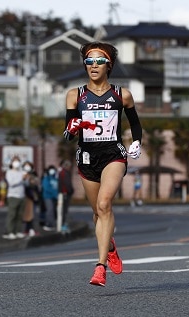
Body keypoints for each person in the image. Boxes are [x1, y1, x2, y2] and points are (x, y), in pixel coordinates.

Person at [63, 41, 142, 286]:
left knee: (105, 203)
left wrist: (137, 141)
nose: (93, 66)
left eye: (99, 61)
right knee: (98, 213)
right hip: (86, 157)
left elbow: (135, 124)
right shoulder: (75, 95)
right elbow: (67, 133)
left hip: (113, 154)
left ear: (109, 65)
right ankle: (109, 246)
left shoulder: (122, 94)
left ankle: (100, 267)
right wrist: (73, 127)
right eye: (89, 61)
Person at [2, 156, 26, 240]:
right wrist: (21, 179)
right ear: (12, 163)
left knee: (20, 215)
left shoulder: (21, 172)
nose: (17, 163)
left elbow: (25, 183)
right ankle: (9, 232)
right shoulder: (9, 172)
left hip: (21, 195)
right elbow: (11, 183)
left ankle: (18, 231)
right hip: (13, 196)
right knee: (12, 215)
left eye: (18, 161)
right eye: (15, 161)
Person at [22, 161, 40, 237]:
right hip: (25, 196)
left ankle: (29, 229)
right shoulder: (22, 175)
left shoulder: (33, 175)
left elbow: (36, 184)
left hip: (33, 196)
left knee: (32, 214)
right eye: (26, 166)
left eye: (28, 166)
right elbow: (25, 185)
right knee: (27, 214)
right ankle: (28, 229)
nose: (27, 167)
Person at [41, 165, 59, 231]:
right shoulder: (46, 178)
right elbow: (46, 188)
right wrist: (55, 194)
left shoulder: (55, 178)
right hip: (47, 197)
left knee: (53, 210)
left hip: (54, 197)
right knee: (49, 210)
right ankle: (48, 224)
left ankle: (52, 223)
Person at [58, 159, 74, 232]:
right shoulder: (64, 173)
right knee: (64, 210)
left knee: (64, 210)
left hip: (65, 193)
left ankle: (63, 224)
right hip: (65, 193)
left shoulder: (63, 172)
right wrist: (70, 190)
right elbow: (66, 184)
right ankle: (62, 224)